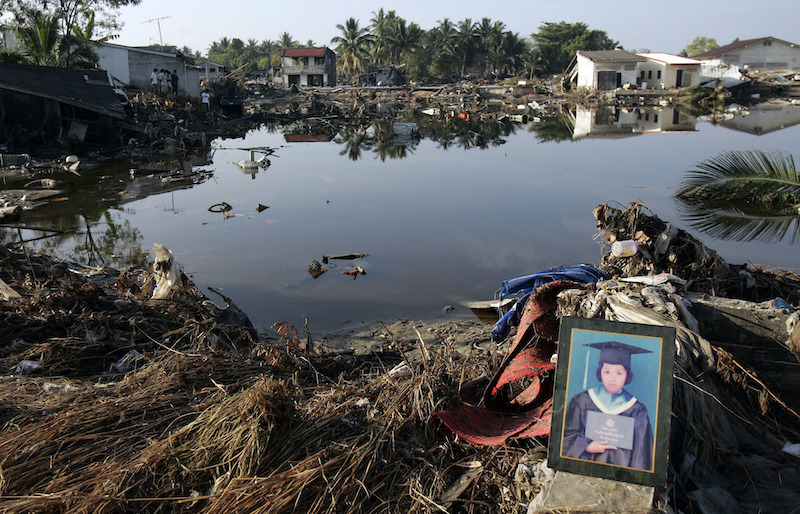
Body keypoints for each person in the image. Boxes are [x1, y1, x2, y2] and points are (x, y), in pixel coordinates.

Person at [562, 341, 654, 471]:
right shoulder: (582, 401)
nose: (612, 378)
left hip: (620, 476)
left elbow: (642, 455)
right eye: (607, 372)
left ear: (627, 375)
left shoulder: (637, 410)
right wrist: (585, 446)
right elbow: (566, 436)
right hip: (583, 471)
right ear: (600, 373)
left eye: (619, 373)